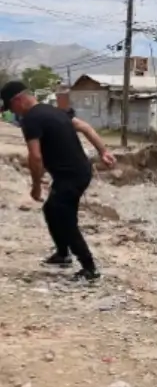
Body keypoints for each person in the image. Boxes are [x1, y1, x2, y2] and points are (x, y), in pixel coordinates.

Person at [2, 81, 116, 281]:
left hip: (70, 176)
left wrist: (36, 186)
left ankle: (89, 269)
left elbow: (35, 157)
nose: (12, 112)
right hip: (79, 171)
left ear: (18, 100)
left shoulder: (31, 120)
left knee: (65, 218)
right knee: (51, 209)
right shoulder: (55, 111)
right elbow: (85, 127)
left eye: (10, 107)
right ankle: (63, 254)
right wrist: (103, 151)